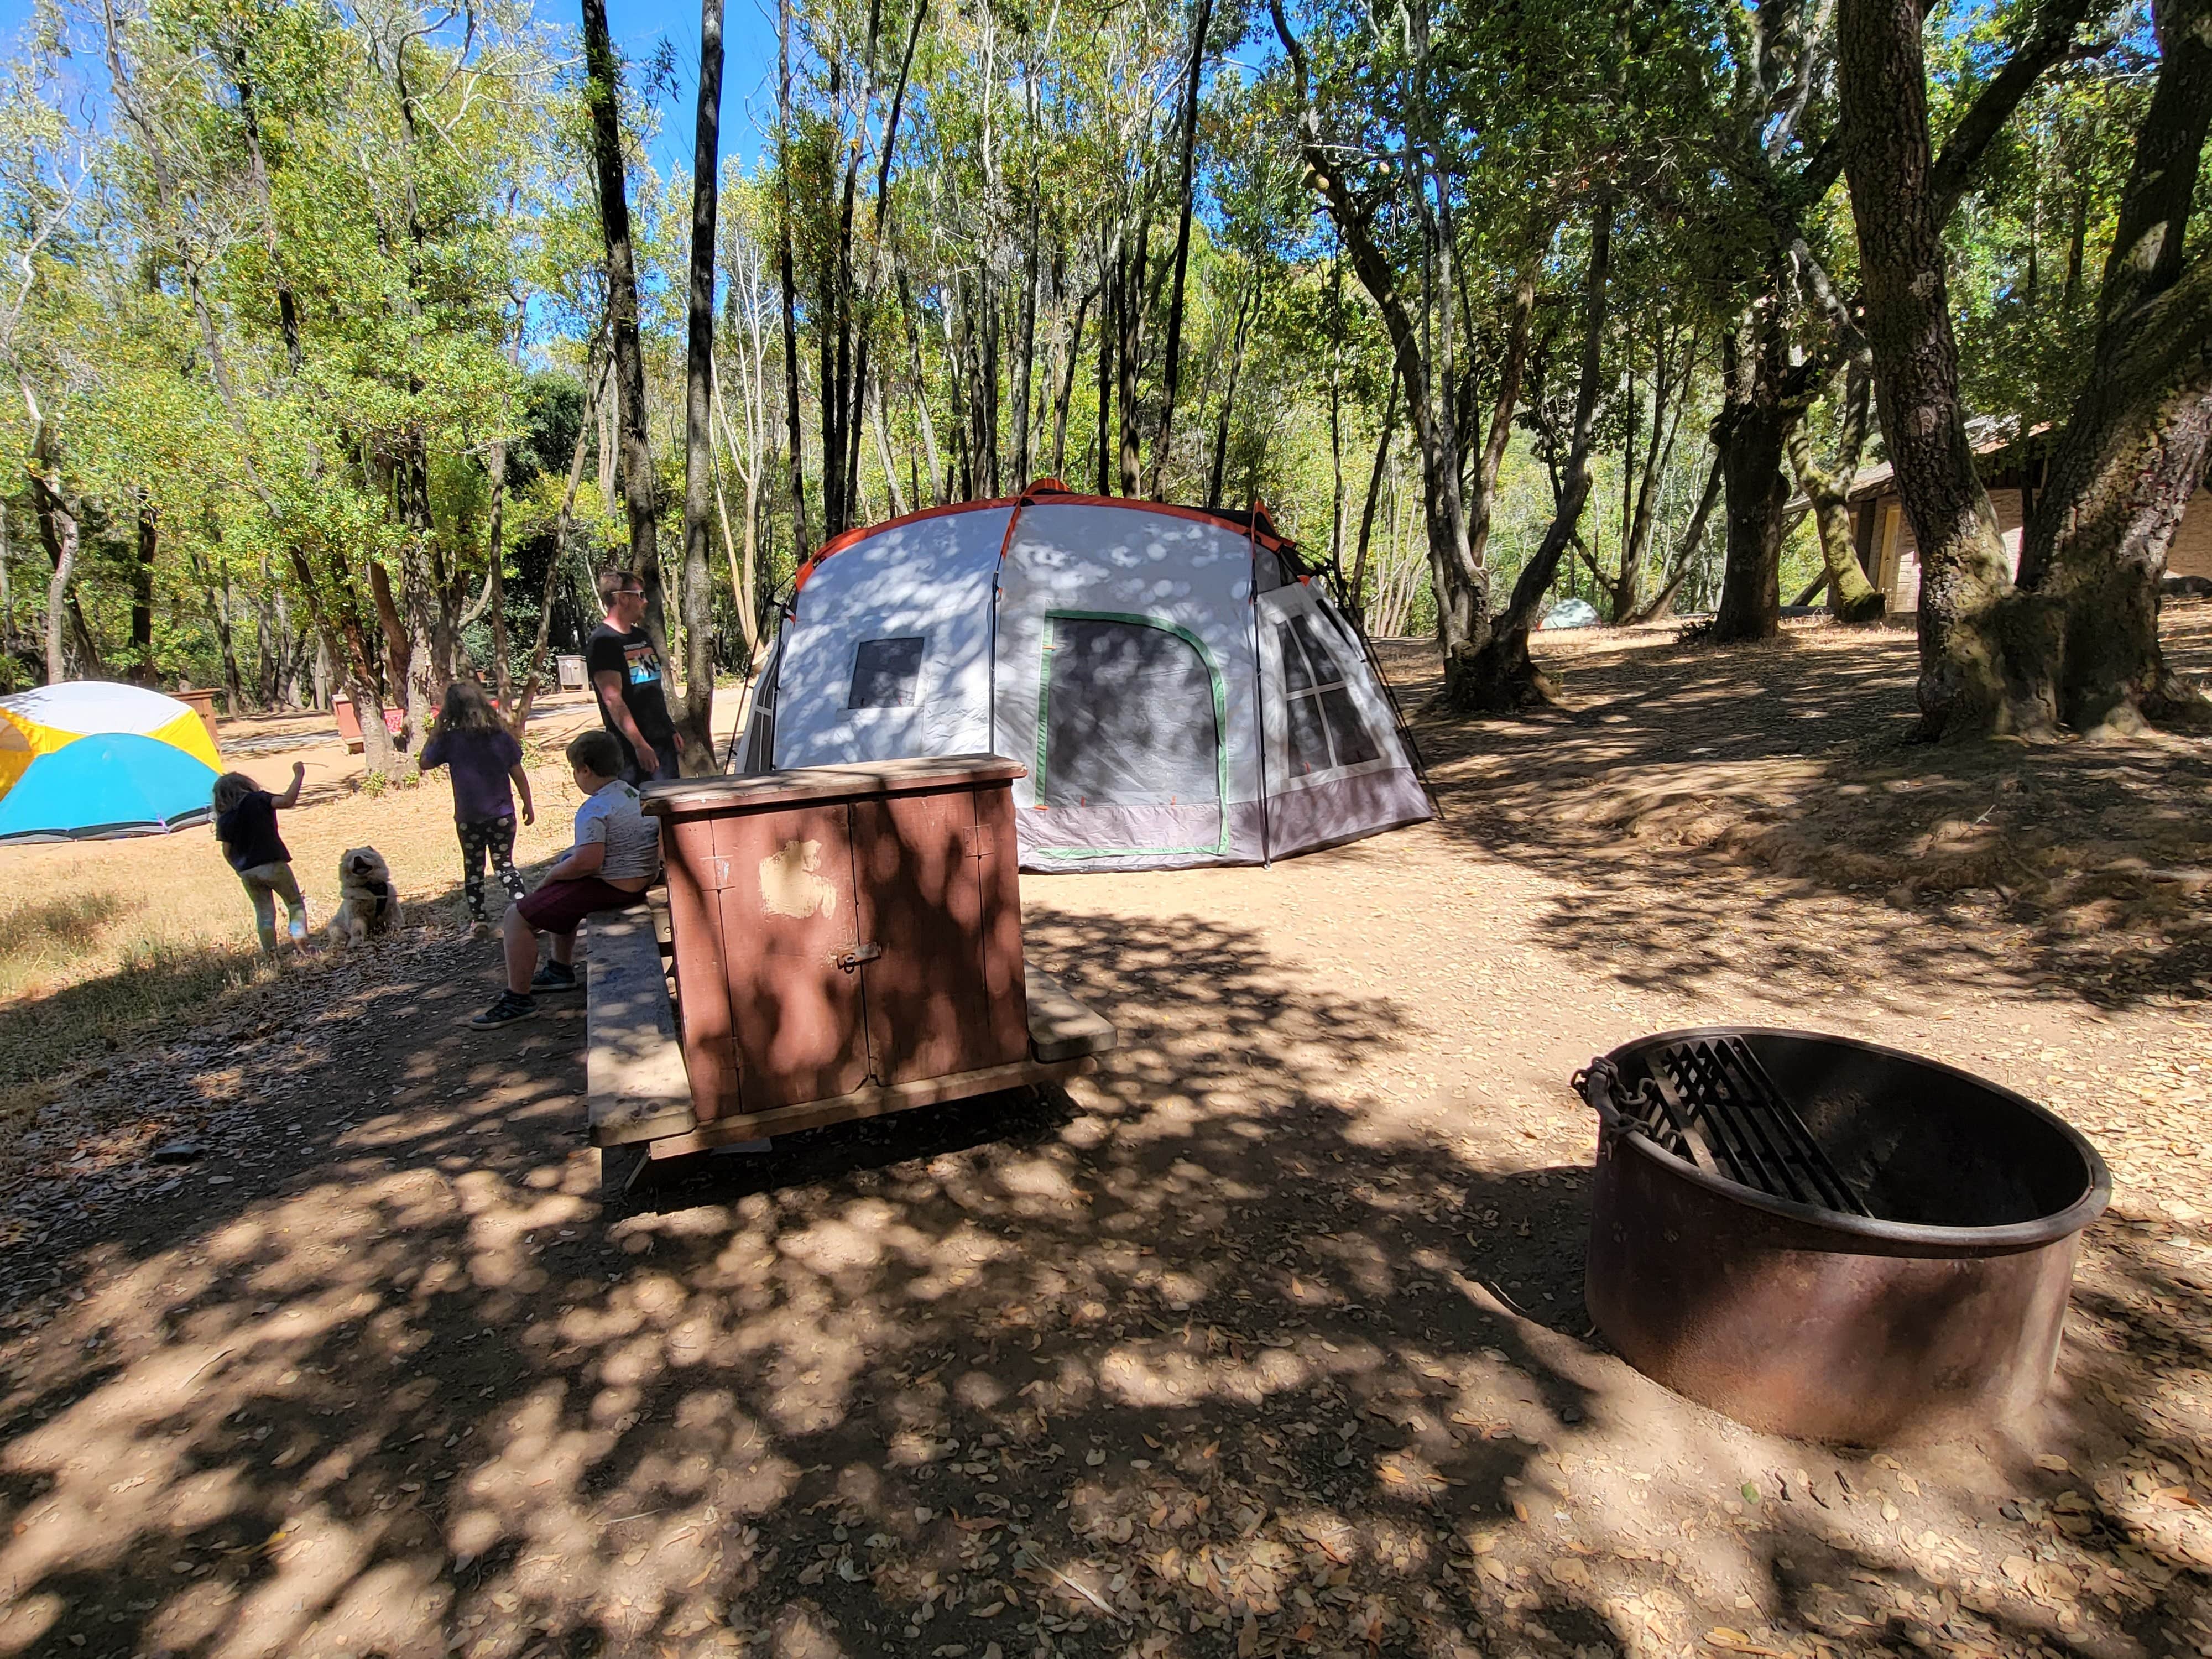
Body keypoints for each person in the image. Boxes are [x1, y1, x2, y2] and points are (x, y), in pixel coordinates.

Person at [472, 729, 660, 1029]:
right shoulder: (631, 794)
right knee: (565, 875)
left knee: (516, 917)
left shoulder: (595, 809)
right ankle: (559, 969)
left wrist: (551, 876)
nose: (575, 776)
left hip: (614, 886)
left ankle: (517, 999)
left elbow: (588, 862)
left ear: (585, 769)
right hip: (637, 878)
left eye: (575, 770)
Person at [419, 680, 536, 936]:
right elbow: (517, 772)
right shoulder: (499, 736)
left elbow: (425, 762)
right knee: (505, 864)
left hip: (469, 817)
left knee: (473, 868)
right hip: (503, 814)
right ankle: (525, 910)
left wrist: (436, 729)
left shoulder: (449, 740)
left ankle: (479, 919)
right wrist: (528, 803)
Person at [586, 569, 681, 786]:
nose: (645, 602)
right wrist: (640, 745)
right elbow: (613, 700)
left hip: (662, 744)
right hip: (633, 751)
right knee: (644, 812)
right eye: (640, 596)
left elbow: (651, 689)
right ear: (622, 598)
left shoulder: (642, 637)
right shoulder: (603, 643)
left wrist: (670, 729)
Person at [212, 761, 311, 957]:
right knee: (294, 904)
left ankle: (271, 955)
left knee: (265, 912)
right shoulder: (259, 800)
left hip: (248, 871)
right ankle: (303, 947)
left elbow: (227, 851)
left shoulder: (224, 819)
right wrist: (299, 775)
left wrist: (239, 871)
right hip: (273, 862)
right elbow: (286, 801)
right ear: (246, 785)